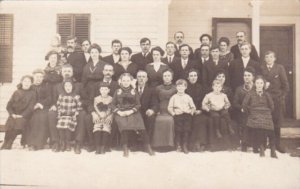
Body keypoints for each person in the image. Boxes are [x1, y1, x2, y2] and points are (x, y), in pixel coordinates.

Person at [111, 73, 154, 157]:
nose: (126, 82)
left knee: (141, 128)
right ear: (121, 81)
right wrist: (119, 112)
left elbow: (138, 105)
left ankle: (148, 147)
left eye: (128, 80)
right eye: (124, 80)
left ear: (131, 81)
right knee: (124, 127)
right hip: (121, 112)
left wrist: (131, 111)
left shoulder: (134, 91)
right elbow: (112, 104)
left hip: (133, 112)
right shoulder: (117, 91)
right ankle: (125, 148)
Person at [48, 64, 86, 154]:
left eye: (69, 71)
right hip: (61, 108)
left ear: (72, 73)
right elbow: (53, 99)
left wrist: (79, 105)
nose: (67, 73)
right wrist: (53, 105)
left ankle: (78, 142)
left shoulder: (79, 85)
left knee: (82, 114)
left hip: (75, 108)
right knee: (51, 113)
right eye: (65, 71)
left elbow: (85, 99)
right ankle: (57, 142)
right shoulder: (57, 86)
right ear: (61, 73)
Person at [261, 51, 289, 153]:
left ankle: (277, 144)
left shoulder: (279, 68)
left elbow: (286, 86)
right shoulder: (262, 68)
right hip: (265, 100)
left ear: (274, 58)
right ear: (264, 59)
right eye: (267, 57)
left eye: (271, 57)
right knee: (265, 122)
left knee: (276, 123)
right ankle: (264, 144)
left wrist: (281, 97)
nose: (269, 59)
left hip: (277, 100)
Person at [242, 76, 277, 158]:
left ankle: (273, 150)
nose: (259, 85)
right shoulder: (250, 93)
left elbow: (272, 106)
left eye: (261, 83)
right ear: (255, 84)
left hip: (266, 113)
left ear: (264, 84)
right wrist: (250, 112)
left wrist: (267, 112)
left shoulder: (267, 94)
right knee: (260, 127)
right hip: (254, 113)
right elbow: (244, 105)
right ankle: (261, 147)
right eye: (257, 83)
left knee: (271, 129)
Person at [87, 64, 119, 151]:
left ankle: (107, 144)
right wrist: (94, 113)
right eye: (106, 70)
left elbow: (118, 103)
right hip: (97, 111)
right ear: (103, 72)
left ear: (113, 73)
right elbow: (90, 101)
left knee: (116, 119)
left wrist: (111, 114)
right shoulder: (96, 85)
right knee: (88, 118)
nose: (108, 72)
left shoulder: (117, 85)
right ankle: (93, 144)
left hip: (111, 111)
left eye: (110, 70)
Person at [1, 75, 35, 150]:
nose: (26, 83)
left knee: (19, 122)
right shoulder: (16, 92)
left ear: (31, 83)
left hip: (25, 115)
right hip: (14, 114)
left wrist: (22, 115)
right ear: (21, 82)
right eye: (25, 81)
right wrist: (12, 114)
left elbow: (30, 107)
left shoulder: (33, 93)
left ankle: (10, 142)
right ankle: (6, 142)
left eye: (29, 81)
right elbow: (9, 105)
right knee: (10, 122)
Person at [168, 79, 196, 154]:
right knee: (178, 130)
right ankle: (178, 145)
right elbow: (169, 108)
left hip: (187, 115)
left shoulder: (188, 97)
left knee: (186, 130)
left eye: (182, 86)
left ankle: (185, 145)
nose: (180, 88)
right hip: (178, 115)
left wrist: (191, 112)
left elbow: (193, 107)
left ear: (185, 87)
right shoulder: (173, 97)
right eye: (179, 86)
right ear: (176, 87)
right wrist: (174, 114)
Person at [27, 69, 51, 150]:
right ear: (33, 77)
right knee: (34, 118)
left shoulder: (46, 86)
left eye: (41, 77)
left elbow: (49, 98)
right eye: (37, 77)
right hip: (31, 108)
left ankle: (41, 143)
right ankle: (32, 143)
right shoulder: (30, 86)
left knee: (43, 117)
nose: (39, 79)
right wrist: (33, 105)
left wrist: (40, 104)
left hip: (43, 107)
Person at [152, 69, 177, 149]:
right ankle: (158, 145)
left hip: (171, 110)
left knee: (170, 121)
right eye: (165, 76)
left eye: (168, 76)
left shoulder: (176, 88)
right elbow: (155, 101)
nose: (166, 77)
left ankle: (169, 145)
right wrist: (156, 111)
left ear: (172, 77)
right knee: (157, 120)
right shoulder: (158, 88)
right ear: (162, 77)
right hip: (161, 110)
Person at [185, 69, 209, 152]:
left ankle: (201, 143)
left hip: (199, 110)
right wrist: (191, 110)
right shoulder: (185, 87)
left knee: (201, 119)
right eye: (191, 76)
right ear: (188, 78)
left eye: (195, 75)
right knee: (192, 119)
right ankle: (193, 145)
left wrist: (200, 110)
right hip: (188, 111)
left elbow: (205, 101)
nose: (193, 77)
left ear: (197, 77)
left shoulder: (202, 87)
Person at [233, 67, 255, 152]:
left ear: (253, 77)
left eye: (249, 75)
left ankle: (256, 143)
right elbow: (235, 103)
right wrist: (241, 108)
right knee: (245, 119)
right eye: (245, 75)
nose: (246, 77)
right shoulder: (239, 89)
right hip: (243, 112)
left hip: (255, 111)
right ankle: (244, 143)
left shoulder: (257, 87)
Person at [56, 79, 82, 152]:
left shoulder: (76, 96)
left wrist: (75, 114)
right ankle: (62, 143)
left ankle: (68, 143)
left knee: (67, 128)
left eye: (69, 86)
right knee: (60, 127)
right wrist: (59, 114)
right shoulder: (61, 96)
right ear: (64, 87)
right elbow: (58, 106)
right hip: (63, 115)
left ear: (72, 87)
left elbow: (79, 107)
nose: (68, 87)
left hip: (71, 116)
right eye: (66, 86)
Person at [136, 70, 157, 139]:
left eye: (143, 77)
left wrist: (152, 110)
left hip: (146, 113)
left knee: (151, 118)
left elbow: (155, 104)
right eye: (139, 77)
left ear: (147, 79)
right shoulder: (132, 89)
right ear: (136, 78)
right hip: (134, 112)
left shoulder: (152, 90)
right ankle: (134, 144)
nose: (141, 78)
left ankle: (147, 143)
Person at [93, 82, 113, 154]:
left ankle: (103, 147)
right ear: (99, 90)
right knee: (97, 127)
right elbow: (95, 107)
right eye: (102, 89)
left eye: (105, 89)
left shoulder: (111, 99)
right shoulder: (96, 98)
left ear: (109, 90)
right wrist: (99, 114)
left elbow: (111, 109)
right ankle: (97, 147)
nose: (104, 91)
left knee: (106, 128)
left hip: (107, 116)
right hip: (99, 116)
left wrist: (106, 115)